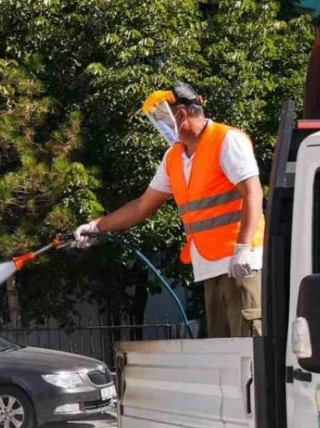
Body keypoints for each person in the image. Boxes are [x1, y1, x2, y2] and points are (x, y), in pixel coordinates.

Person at [73, 82, 266, 338]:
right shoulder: (174, 157)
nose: (160, 126)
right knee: (227, 355)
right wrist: (97, 226)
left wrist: (243, 249)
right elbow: (143, 206)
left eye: (163, 117)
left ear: (182, 114)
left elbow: (253, 192)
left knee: (250, 348)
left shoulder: (226, 140)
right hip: (211, 266)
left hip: (241, 263)